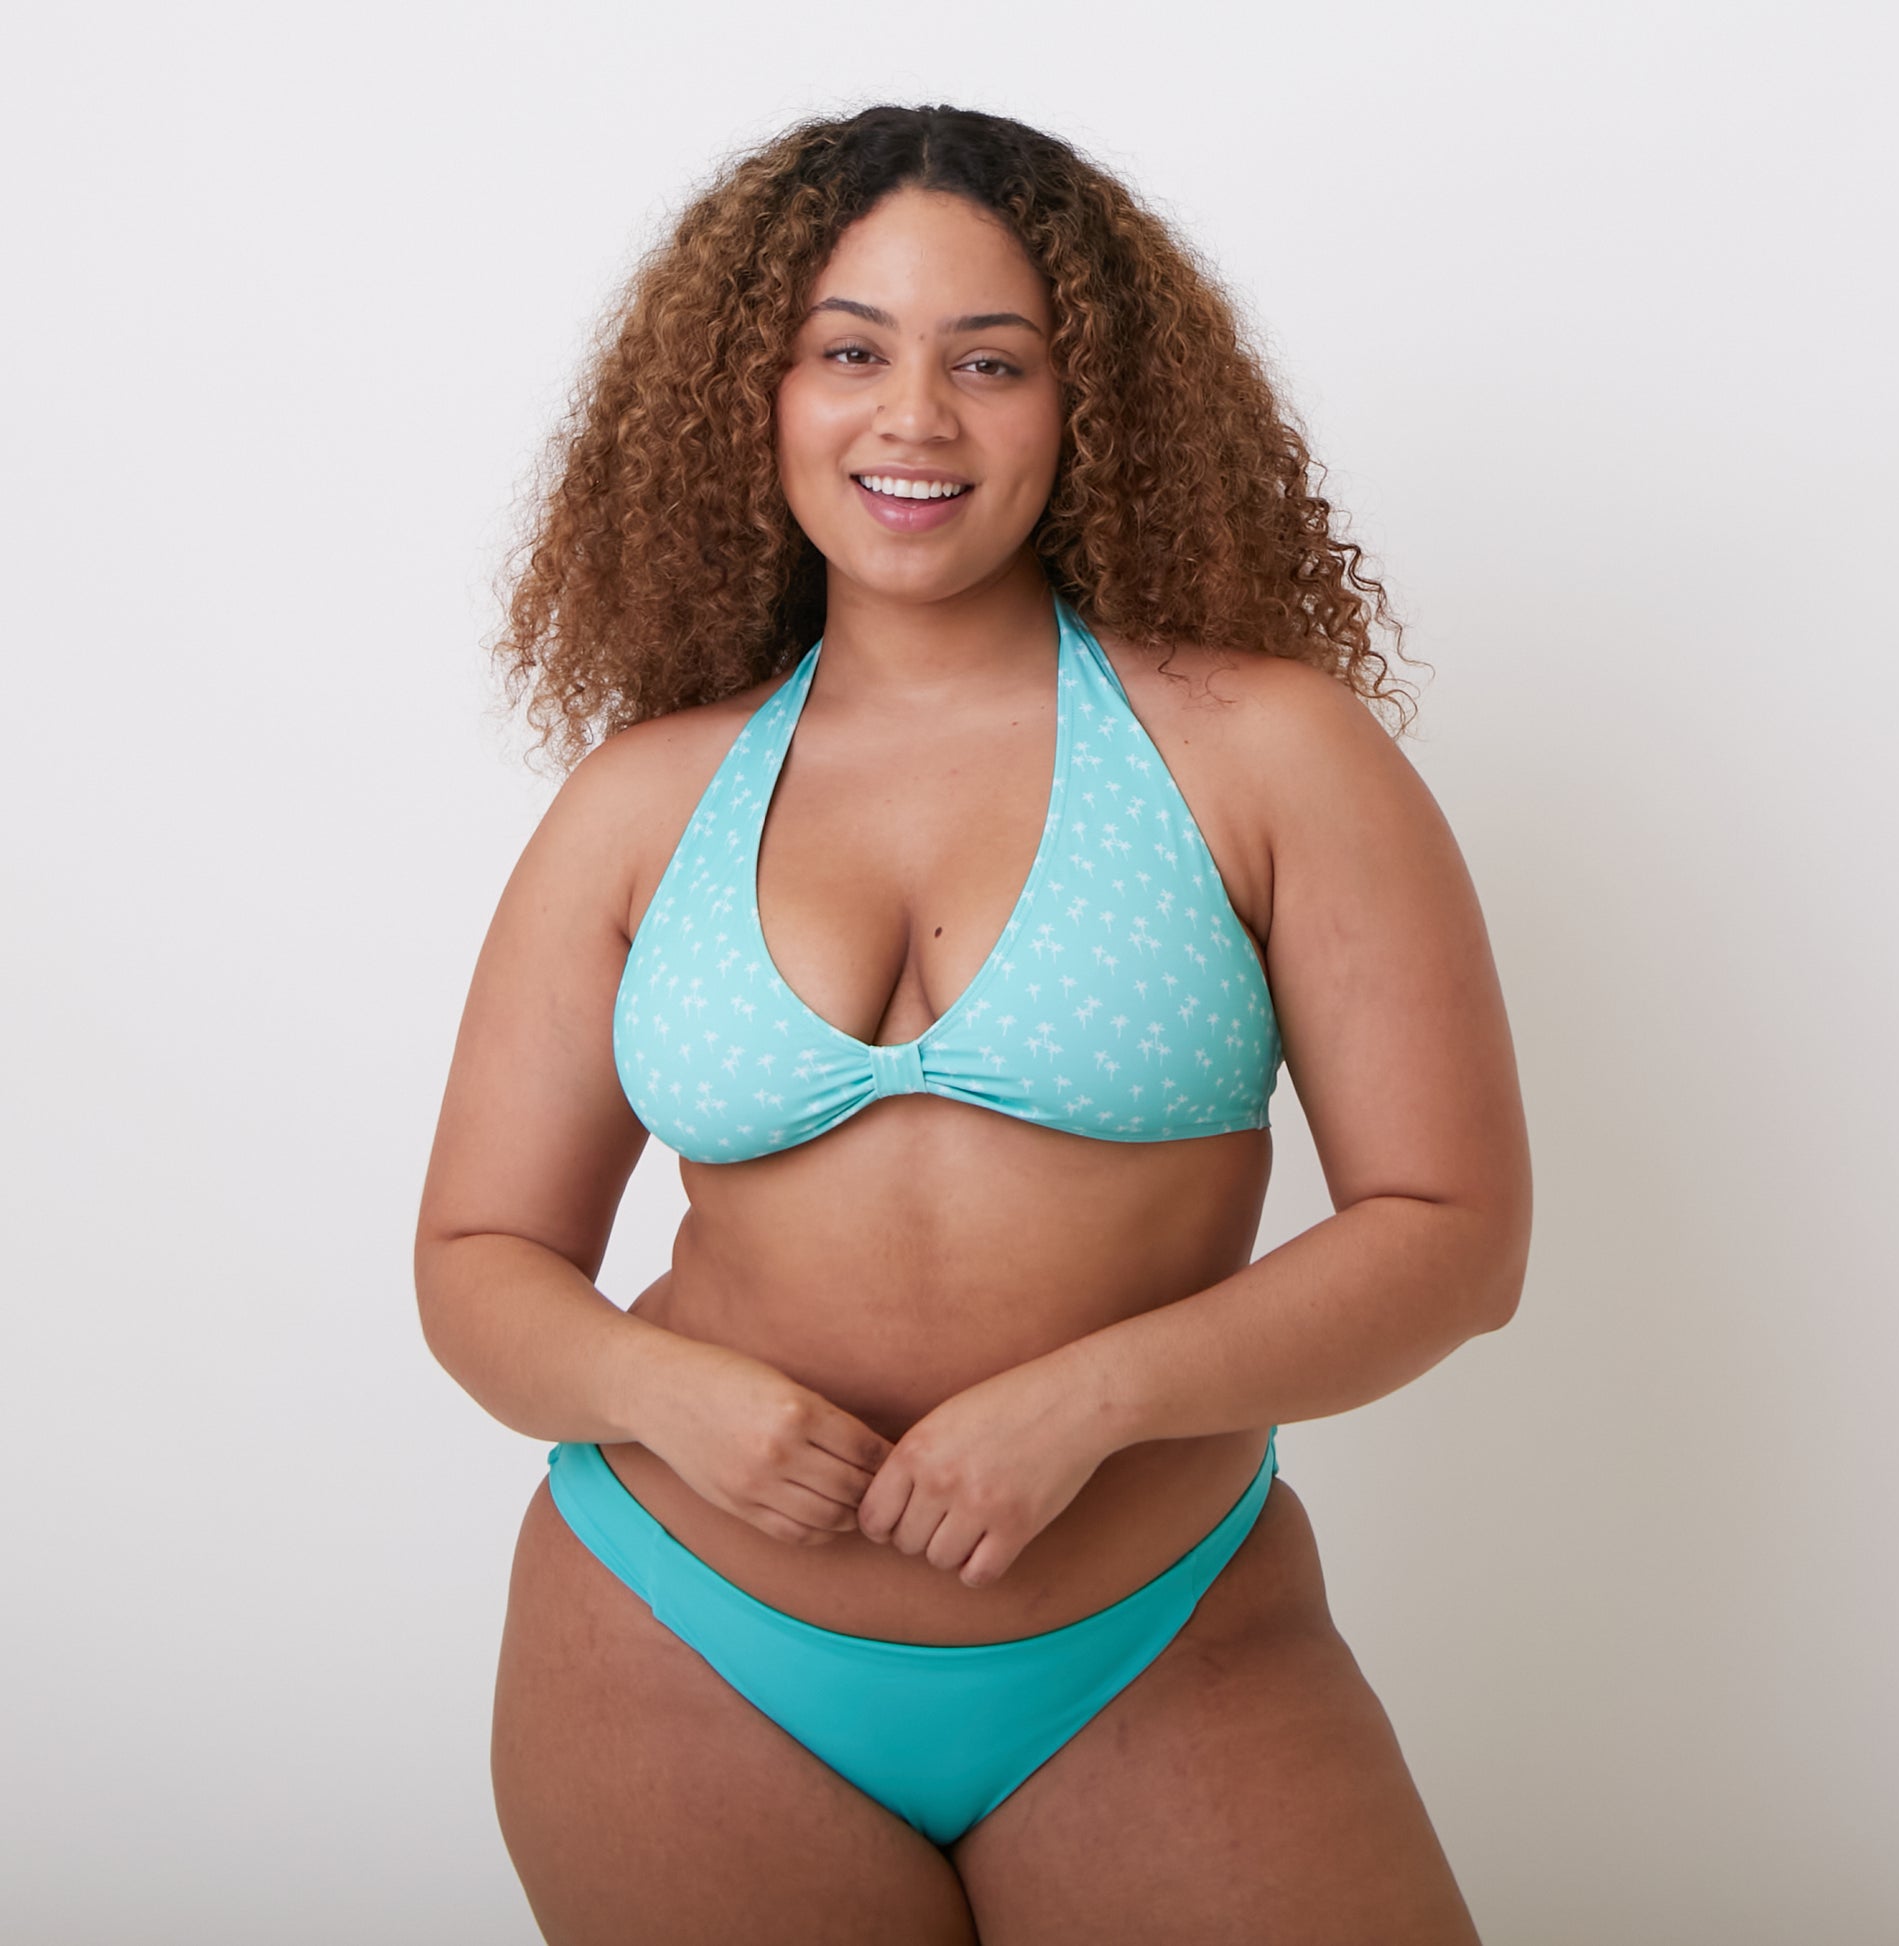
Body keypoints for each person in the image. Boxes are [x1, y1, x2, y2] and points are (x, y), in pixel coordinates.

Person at [416, 101, 1531, 1945]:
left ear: (1090, 406)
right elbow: (474, 1258)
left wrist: (1094, 1399)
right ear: (755, 397)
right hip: (680, 1636)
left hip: (1158, 1635)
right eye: (848, 352)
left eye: (989, 362)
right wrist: (662, 1392)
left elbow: (1452, 1236)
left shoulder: (1266, 753)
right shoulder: (639, 799)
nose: (913, 417)